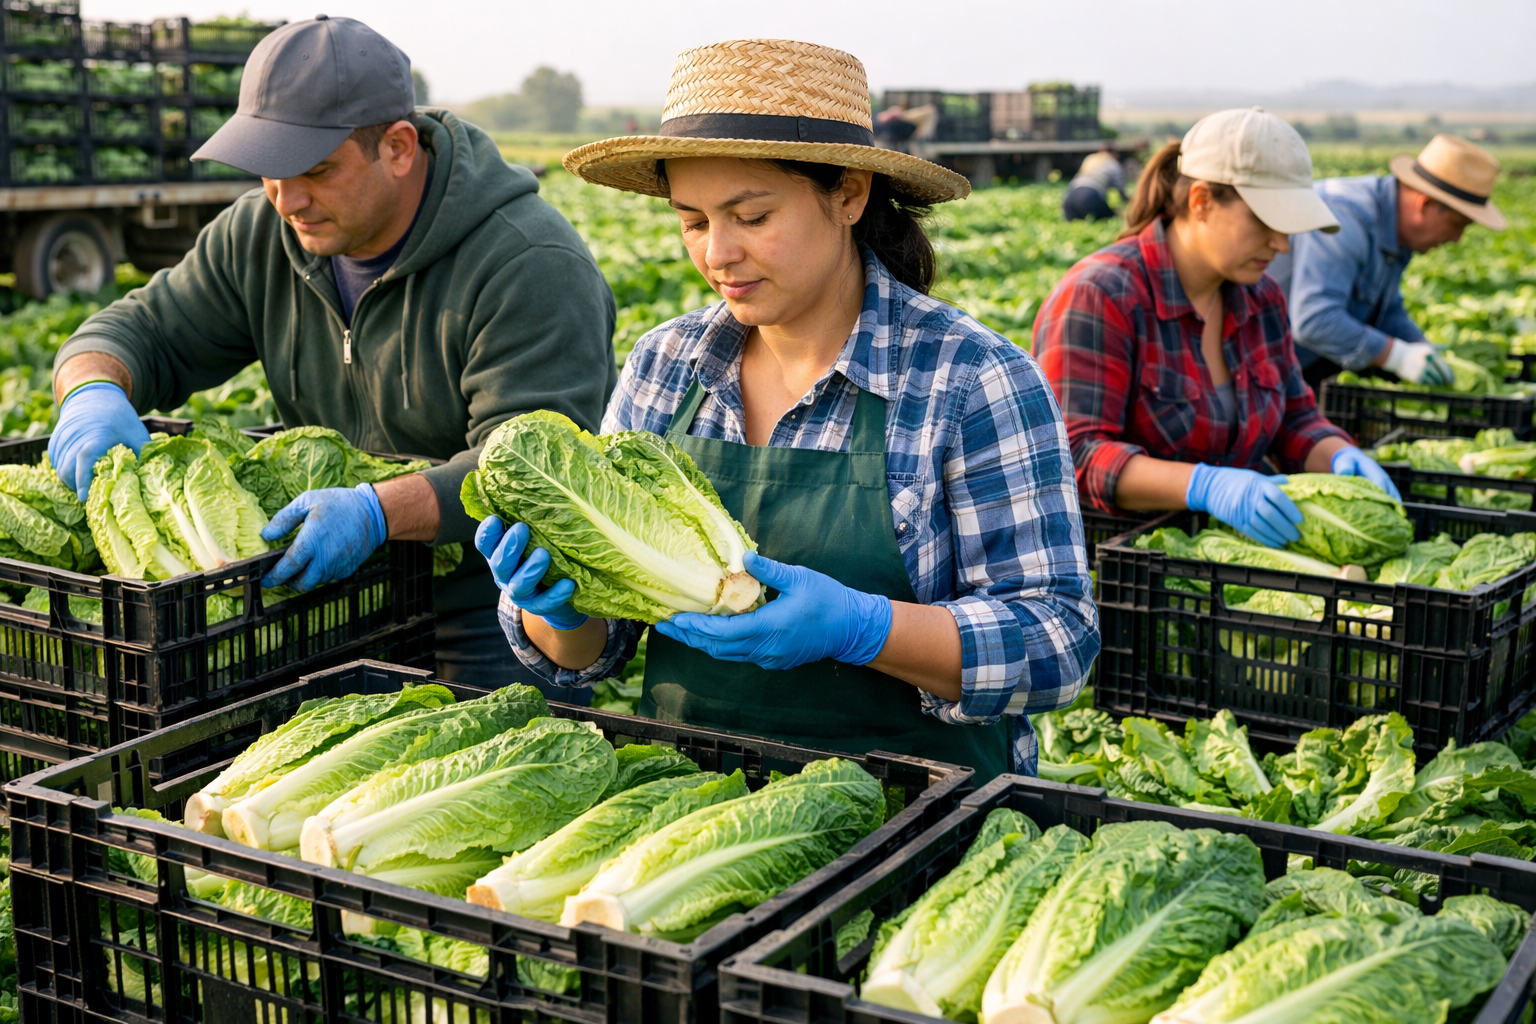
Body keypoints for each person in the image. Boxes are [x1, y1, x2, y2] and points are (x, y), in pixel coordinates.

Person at [475, 39, 1099, 783]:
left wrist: (864, 630)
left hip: (916, 823)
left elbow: (1056, 643)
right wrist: (565, 610)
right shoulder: (665, 367)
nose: (719, 254)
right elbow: (593, 652)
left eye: (751, 215)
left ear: (849, 195)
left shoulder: (973, 379)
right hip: (693, 818)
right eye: (695, 221)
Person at [44, 16, 617, 687]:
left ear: (399, 147)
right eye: (268, 173)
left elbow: (527, 473)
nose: (287, 200)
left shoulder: (528, 263)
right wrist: (91, 389)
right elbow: (140, 330)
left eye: (316, 170)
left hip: (491, 613)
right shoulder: (262, 234)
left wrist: (377, 510)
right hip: (326, 601)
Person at [1034, 108, 1401, 550]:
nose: (1282, 244)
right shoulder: (1101, 295)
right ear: (1201, 201)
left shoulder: (1261, 298)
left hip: (1230, 556)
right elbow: (1078, 456)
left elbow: (1293, 416)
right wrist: (1204, 486)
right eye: (1266, 222)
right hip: (1122, 564)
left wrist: (1338, 453)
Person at [1267, 134, 1506, 392]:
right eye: (1456, 225)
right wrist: (1396, 356)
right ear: (1424, 204)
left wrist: (1417, 346)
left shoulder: (1395, 233)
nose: (1456, 239)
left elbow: (1385, 309)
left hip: (1295, 367)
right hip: (1255, 368)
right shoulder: (1343, 219)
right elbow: (1315, 320)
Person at [1062, 145, 1126, 222]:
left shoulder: (1090, 158)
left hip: (1070, 197)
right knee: (1112, 218)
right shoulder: (1113, 163)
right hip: (1089, 195)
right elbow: (1120, 189)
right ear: (1115, 154)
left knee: (1075, 226)